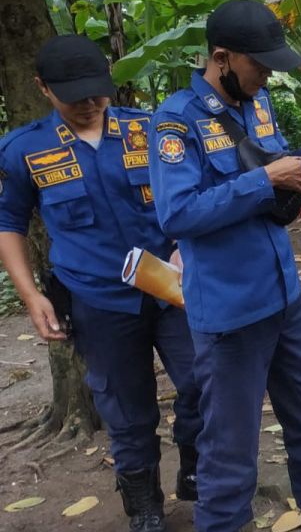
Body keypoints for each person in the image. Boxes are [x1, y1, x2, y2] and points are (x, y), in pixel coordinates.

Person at [148, 0, 301, 532]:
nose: (266, 77)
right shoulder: (174, 121)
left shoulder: (258, 106)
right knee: (230, 448)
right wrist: (266, 181)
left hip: (284, 298)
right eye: (259, 66)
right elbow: (177, 212)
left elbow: (274, 169)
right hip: (230, 313)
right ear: (222, 57)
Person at [0, 35, 201, 532]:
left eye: (98, 91)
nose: (90, 103)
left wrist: (184, 246)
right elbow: (9, 224)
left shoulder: (150, 128)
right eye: (75, 95)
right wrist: (31, 295)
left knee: (205, 382)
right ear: (42, 88)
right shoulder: (25, 149)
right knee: (128, 411)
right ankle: (145, 509)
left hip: (172, 290)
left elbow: (189, 196)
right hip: (98, 301)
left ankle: (195, 466)